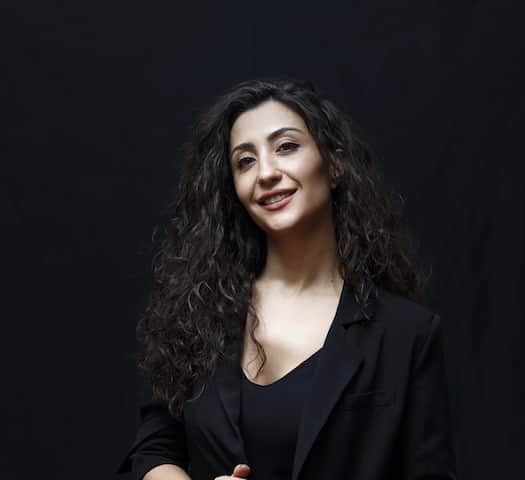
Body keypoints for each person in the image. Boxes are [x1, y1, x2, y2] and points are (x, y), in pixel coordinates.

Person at [117, 78, 457, 480]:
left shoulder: (407, 334)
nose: (265, 172)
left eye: (286, 147)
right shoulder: (197, 315)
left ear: (335, 165)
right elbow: (154, 450)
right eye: (245, 161)